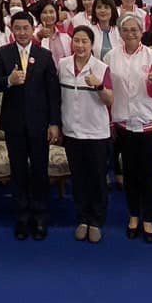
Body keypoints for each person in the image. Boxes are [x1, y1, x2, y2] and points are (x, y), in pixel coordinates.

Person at [0, 10, 61, 241]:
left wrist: (54, 122)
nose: (22, 32)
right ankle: (22, 215)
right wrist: (8, 81)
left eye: (26, 28)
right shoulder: (2, 53)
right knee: (18, 170)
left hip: (39, 123)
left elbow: (53, 92)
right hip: (14, 123)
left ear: (33, 30)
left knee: (40, 170)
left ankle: (40, 215)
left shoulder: (44, 55)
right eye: (17, 28)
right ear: (12, 30)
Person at [104, 12, 152, 242]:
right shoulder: (111, 57)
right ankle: (133, 216)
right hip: (123, 121)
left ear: (141, 32)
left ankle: (148, 219)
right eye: (125, 30)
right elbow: (107, 91)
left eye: (134, 30)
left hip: (147, 121)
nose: (130, 33)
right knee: (129, 172)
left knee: (147, 173)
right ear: (119, 32)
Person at [57, 26, 114, 243]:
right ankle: (82, 219)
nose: (80, 45)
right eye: (77, 41)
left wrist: (99, 86)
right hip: (72, 131)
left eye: (85, 41)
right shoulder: (62, 65)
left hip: (96, 132)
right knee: (78, 178)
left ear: (92, 44)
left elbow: (110, 100)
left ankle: (96, 221)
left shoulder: (101, 67)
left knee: (97, 179)